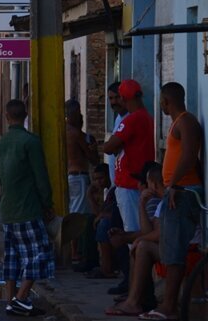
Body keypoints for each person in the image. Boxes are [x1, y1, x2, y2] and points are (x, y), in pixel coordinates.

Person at [148, 82, 203, 321]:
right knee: (171, 251)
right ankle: (169, 304)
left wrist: (173, 185)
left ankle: (169, 307)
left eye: (161, 100)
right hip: (177, 191)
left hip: (181, 193)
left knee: (175, 252)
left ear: (165, 100)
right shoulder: (177, 124)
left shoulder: (186, 121)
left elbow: (190, 156)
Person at [0, 99, 54, 317]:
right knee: (40, 253)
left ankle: (11, 300)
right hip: (27, 208)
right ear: (25, 115)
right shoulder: (31, 142)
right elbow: (41, 177)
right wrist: (47, 203)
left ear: (7, 117)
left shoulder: (1, 144)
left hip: (7, 208)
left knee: (13, 256)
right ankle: (20, 298)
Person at [105, 162, 165, 316]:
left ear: (153, 185)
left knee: (141, 246)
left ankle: (133, 301)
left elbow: (156, 234)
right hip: (167, 246)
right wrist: (141, 204)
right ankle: (135, 298)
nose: (137, 186)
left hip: (178, 249)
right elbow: (148, 231)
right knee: (139, 245)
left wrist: (131, 238)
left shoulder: (158, 202)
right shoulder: (157, 203)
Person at [103, 79, 155, 240]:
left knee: (133, 235)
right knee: (141, 232)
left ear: (123, 99)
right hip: (138, 182)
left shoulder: (132, 119)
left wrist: (113, 144)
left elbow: (108, 147)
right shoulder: (146, 117)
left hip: (129, 184)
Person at [65, 99, 99, 270]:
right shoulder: (76, 134)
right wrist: (93, 149)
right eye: (78, 112)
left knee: (74, 212)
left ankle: (74, 250)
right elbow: (92, 158)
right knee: (78, 216)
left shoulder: (64, 132)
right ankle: (75, 251)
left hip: (70, 176)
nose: (81, 116)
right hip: (79, 176)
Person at [86, 163, 120, 279]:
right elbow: (99, 213)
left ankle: (107, 268)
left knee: (103, 224)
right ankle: (91, 261)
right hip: (110, 220)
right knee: (90, 220)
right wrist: (90, 196)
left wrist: (101, 216)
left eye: (101, 178)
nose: (98, 182)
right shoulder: (108, 192)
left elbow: (114, 213)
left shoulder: (116, 190)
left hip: (119, 223)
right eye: (96, 179)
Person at [106, 81, 128, 186]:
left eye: (117, 97)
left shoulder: (129, 117)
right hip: (117, 182)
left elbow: (111, 148)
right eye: (111, 98)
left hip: (126, 183)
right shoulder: (119, 117)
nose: (114, 101)